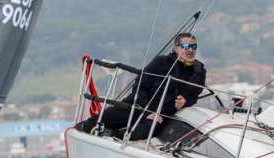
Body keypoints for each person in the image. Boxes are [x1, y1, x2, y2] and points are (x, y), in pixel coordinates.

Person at [78, 33, 208, 140]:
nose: (191, 50)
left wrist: (185, 101)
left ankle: (112, 136)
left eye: (194, 46)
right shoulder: (161, 62)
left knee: (148, 130)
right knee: (92, 123)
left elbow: (194, 96)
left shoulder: (199, 70)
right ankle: (92, 129)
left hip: (161, 115)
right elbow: (139, 85)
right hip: (137, 105)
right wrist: (147, 111)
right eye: (186, 46)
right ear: (176, 48)